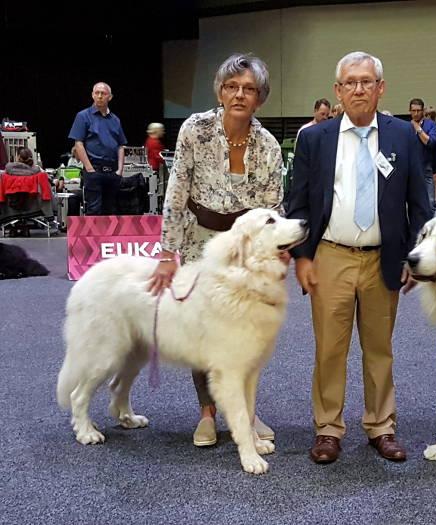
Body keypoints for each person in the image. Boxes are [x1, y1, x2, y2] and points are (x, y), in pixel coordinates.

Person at [287, 51, 431, 464]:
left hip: (384, 258)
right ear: (338, 90)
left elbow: (419, 202)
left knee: (379, 348)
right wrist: (302, 257)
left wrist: (415, 257)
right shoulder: (315, 138)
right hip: (330, 255)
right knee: (329, 348)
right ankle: (328, 428)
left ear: (381, 88)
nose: (358, 89)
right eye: (350, 82)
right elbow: (298, 203)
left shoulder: (403, 135)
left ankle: (380, 426)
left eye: (367, 81)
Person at [148, 53, 283, 448]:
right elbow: (176, 193)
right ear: (220, 91)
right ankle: (207, 412)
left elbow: (272, 209)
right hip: (197, 242)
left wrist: (273, 258)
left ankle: (245, 410)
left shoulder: (269, 146)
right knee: (205, 331)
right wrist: (165, 252)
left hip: (246, 252)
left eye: (249, 89)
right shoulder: (195, 129)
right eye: (231, 86)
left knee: (246, 331)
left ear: (260, 97)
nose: (239, 94)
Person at [68, 82, 127, 215]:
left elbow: (120, 146)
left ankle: (109, 236)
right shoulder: (83, 116)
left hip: (112, 172)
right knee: (94, 210)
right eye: (97, 93)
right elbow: (78, 144)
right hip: (94, 169)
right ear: (92, 95)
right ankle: (94, 237)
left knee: (112, 211)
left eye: (103, 93)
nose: (100, 96)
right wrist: (89, 169)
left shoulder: (115, 120)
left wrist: (119, 170)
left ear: (110, 97)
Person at [409, 98, 436, 210]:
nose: (416, 113)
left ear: (422, 111)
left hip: (426, 166)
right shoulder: (406, 127)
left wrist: (418, 129)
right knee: (413, 203)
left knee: (430, 201)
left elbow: (430, 142)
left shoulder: (430, 125)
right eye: (413, 111)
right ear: (410, 111)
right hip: (411, 168)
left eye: (418, 110)